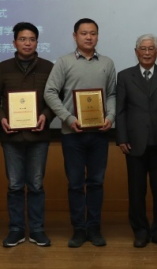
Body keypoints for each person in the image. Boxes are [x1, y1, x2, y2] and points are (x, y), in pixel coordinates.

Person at [44, 18, 116, 248]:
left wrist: (111, 116)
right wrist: (68, 118)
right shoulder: (63, 62)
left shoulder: (107, 63)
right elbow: (50, 92)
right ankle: (78, 229)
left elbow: (112, 94)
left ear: (97, 36)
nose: (88, 37)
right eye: (83, 33)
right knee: (75, 184)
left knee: (96, 183)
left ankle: (94, 228)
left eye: (93, 33)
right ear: (74, 36)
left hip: (99, 133)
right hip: (72, 134)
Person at [0, 22, 55, 248]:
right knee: (15, 185)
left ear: (37, 42)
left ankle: (37, 230)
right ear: (14, 42)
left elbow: (56, 97)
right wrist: (1, 119)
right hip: (12, 137)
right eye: (22, 39)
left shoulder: (48, 67)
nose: (27, 43)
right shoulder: (3, 68)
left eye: (32, 39)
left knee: (36, 184)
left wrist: (46, 116)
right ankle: (16, 230)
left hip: (39, 136)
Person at [115, 34, 157, 248]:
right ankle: (140, 232)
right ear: (136, 52)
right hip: (134, 143)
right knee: (136, 192)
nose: (147, 52)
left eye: (151, 48)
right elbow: (120, 111)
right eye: (143, 48)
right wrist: (121, 138)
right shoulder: (124, 76)